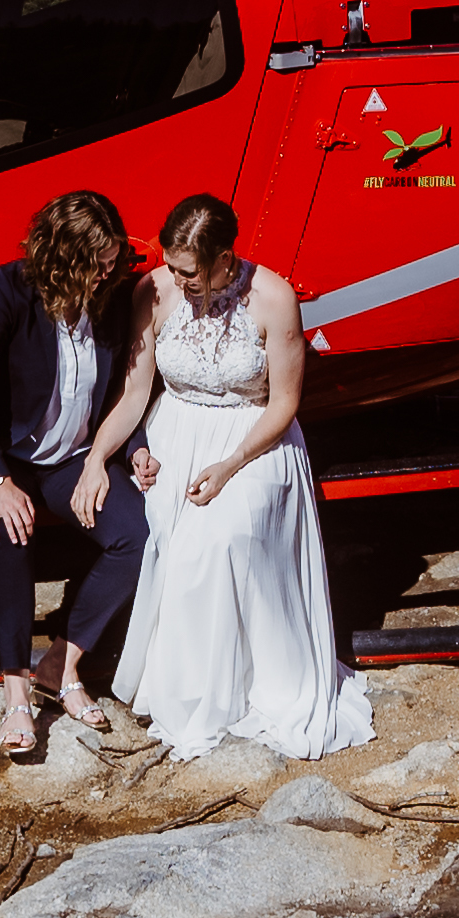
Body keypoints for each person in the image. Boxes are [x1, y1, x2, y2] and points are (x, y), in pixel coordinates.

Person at [89, 189, 364, 766]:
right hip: (176, 431)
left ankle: (238, 691)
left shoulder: (273, 299)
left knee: (224, 537)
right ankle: (183, 688)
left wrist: (230, 464)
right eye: (170, 265)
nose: (176, 278)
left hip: (254, 438)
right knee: (160, 528)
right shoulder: (154, 292)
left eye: (189, 271)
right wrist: (99, 460)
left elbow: (285, 403)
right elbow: (137, 392)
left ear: (223, 260)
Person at [0, 189, 145, 759]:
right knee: (11, 530)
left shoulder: (111, 298)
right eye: (96, 265)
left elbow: (122, 390)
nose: (108, 275)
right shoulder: (4, 289)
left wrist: (132, 452)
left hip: (71, 457)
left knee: (135, 534)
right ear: (61, 257)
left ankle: (62, 663)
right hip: (3, 458)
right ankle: (16, 693)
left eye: (113, 263)